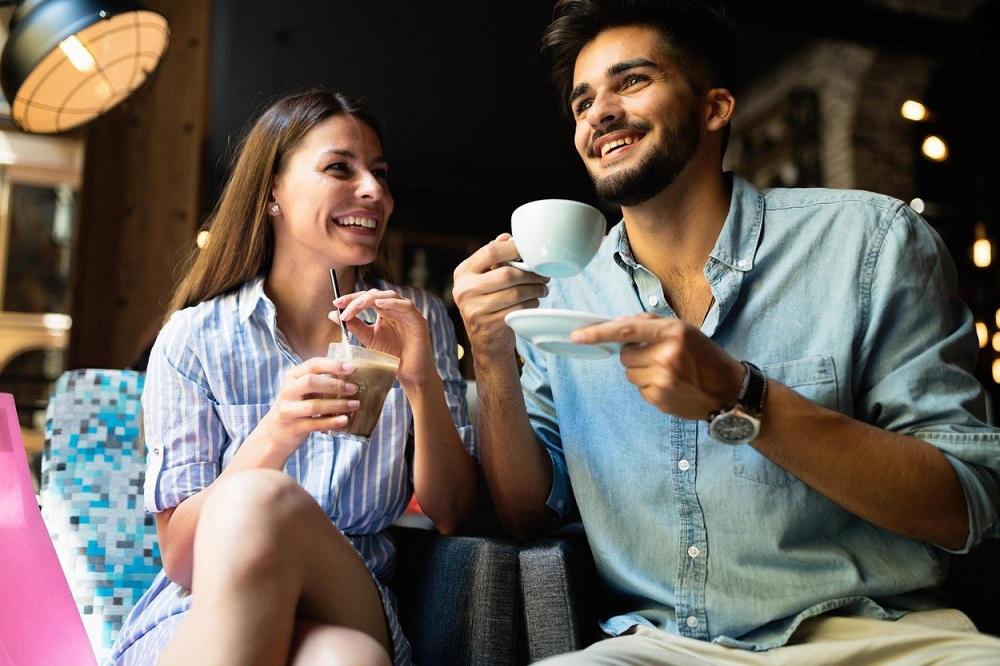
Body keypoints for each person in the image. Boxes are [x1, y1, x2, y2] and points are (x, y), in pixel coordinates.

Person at [452, 1, 1000, 663]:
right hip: (657, 647)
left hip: (874, 637)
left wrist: (743, 397)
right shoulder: (562, 295)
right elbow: (528, 515)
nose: (597, 113)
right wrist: (491, 352)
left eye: (631, 81)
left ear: (714, 108)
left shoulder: (869, 240)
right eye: (582, 102)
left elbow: (964, 505)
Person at [111, 88, 478, 666]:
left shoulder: (417, 318)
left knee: (266, 507)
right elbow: (183, 560)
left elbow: (455, 512)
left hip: (347, 591)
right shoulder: (194, 338)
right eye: (340, 167)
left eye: (379, 173)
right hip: (208, 604)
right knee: (346, 660)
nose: (374, 191)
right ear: (273, 193)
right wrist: (276, 433)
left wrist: (420, 380)